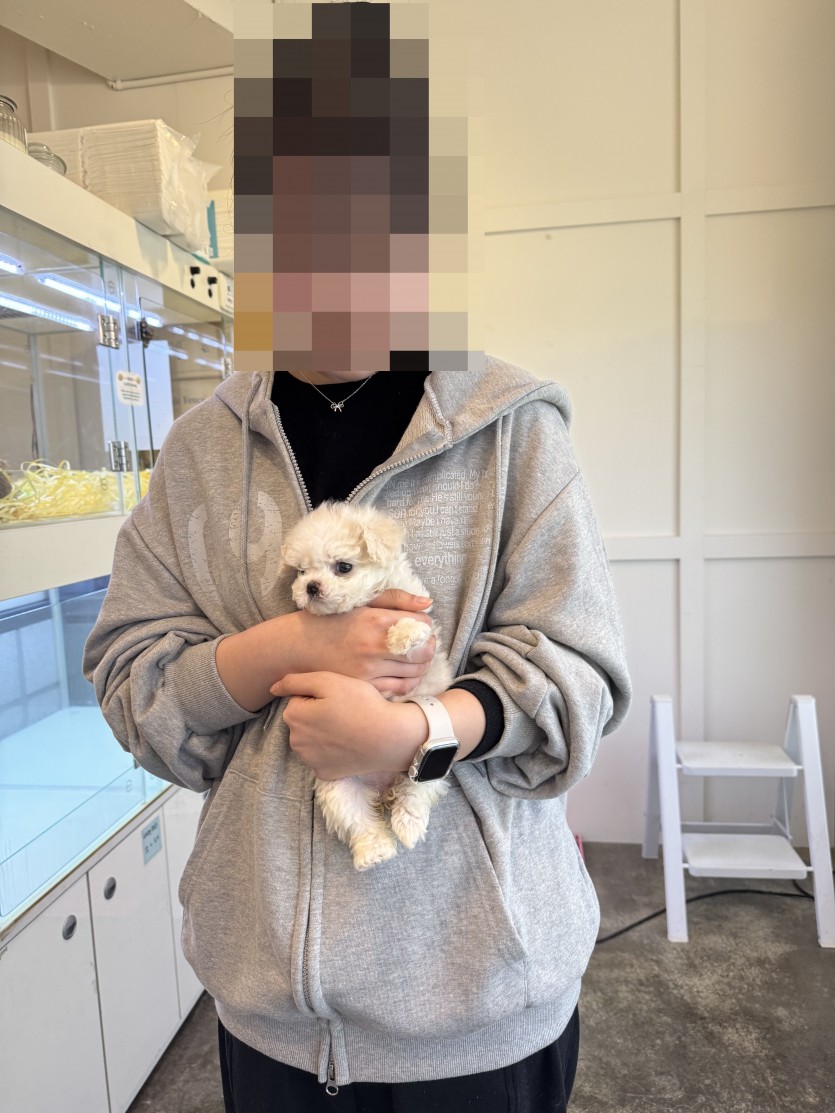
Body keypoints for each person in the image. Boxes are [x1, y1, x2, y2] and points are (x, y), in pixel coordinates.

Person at [83, 354, 631, 1112]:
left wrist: (415, 731)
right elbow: (131, 683)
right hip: (266, 1005)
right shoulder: (200, 446)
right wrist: (294, 645)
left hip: (480, 1007)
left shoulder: (513, 425)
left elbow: (578, 673)